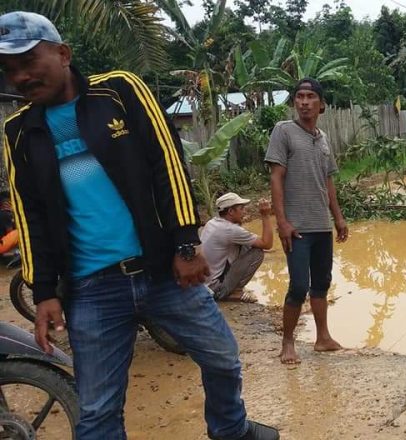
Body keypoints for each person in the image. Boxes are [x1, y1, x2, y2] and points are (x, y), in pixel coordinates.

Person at [0, 12, 278, 440]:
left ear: (62, 53)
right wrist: (43, 292)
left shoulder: (121, 90)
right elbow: (29, 213)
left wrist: (186, 245)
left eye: (28, 61)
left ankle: (230, 429)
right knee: (97, 410)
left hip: (164, 270)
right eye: (10, 69)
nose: (20, 76)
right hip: (90, 288)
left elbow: (167, 163)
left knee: (222, 358)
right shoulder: (18, 130)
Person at [265, 77, 348, 365]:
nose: (304, 102)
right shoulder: (283, 131)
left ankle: (323, 337)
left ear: (321, 105)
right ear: (294, 103)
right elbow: (276, 177)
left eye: (310, 97)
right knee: (298, 285)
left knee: (322, 283)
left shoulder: (323, 139)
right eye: (299, 96)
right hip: (297, 227)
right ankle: (287, 343)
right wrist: (282, 222)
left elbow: (328, 182)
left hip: (321, 225)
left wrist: (338, 218)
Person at [201, 192, 274, 303]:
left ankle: (228, 289)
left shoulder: (212, 223)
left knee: (246, 245)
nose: (244, 212)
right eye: (241, 208)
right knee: (257, 253)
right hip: (214, 289)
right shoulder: (230, 230)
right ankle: (234, 291)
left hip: (203, 286)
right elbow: (267, 244)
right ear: (230, 211)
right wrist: (265, 215)